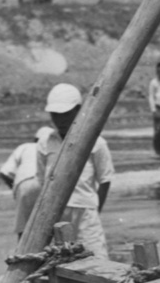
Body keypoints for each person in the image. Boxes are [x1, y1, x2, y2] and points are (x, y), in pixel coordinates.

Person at [36, 83, 115, 257]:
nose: (60, 120)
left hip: (85, 213)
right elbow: (41, 180)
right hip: (55, 216)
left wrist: (94, 209)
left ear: (78, 110)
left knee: (96, 262)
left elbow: (105, 179)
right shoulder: (45, 143)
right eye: (55, 115)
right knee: (61, 266)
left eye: (65, 114)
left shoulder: (96, 142)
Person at [0, 125, 53, 235]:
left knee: (24, 229)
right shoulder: (53, 148)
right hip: (46, 184)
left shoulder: (25, 147)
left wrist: (15, 189)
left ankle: (23, 252)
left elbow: (4, 171)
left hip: (24, 184)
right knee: (48, 227)